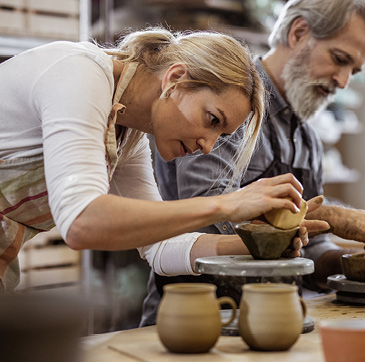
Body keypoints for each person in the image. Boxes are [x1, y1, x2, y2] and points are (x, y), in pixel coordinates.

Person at [140, 0, 365, 326]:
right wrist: (330, 214)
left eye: (352, 72)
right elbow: (208, 213)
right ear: (298, 32)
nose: (342, 82)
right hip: (196, 319)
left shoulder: (307, 138)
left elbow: (306, 249)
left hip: (273, 321)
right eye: (339, 60)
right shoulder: (227, 104)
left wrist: (358, 265)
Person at [0, 27, 329, 292]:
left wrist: (260, 245)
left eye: (222, 135)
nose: (208, 147)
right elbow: (81, 222)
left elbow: (159, 249)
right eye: (212, 120)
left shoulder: (128, 134)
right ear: (175, 79)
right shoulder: (78, 74)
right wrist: (228, 205)